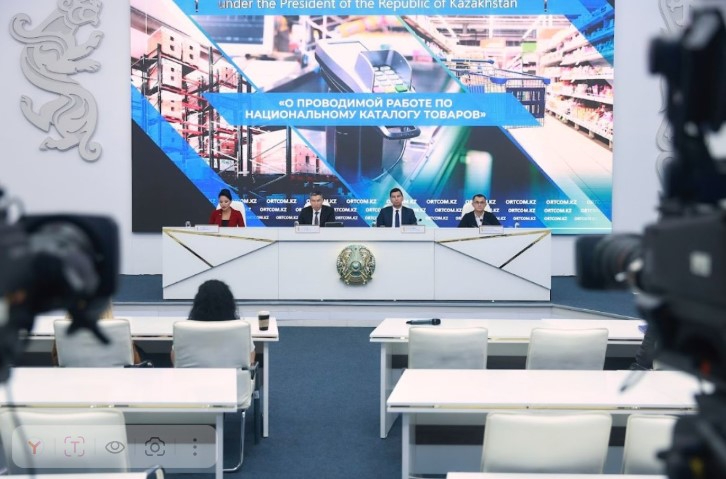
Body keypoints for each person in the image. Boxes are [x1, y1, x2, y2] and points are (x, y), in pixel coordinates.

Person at [180, 279, 255, 363]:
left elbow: (177, 359)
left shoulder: (185, 329)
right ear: (229, 303)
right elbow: (250, 360)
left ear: (197, 303)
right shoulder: (241, 328)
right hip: (232, 372)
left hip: (195, 372)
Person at [51, 303, 143, 366]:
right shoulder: (119, 330)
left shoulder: (63, 331)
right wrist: (131, 343)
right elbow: (135, 364)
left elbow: (57, 362)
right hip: (113, 384)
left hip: (73, 384)